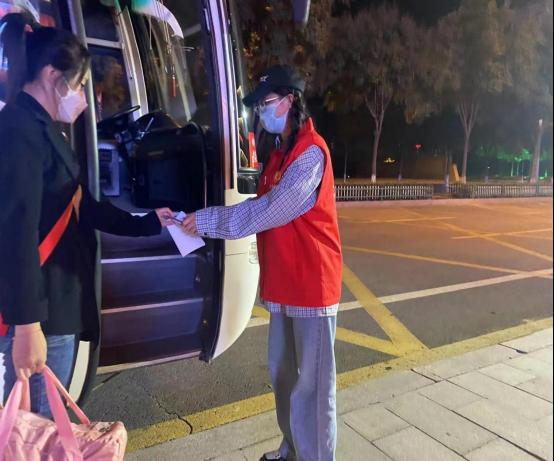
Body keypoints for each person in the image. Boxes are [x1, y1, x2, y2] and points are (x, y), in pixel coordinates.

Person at [0, 13, 175, 416]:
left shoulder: (42, 129)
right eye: (79, 84)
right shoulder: (19, 132)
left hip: (55, 307)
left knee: (40, 428)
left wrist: (149, 222)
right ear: (52, 76)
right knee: (37, 429)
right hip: (42, 314)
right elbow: (16, 234)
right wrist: (27, 325)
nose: (82, 96)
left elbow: (84, 207)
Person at [181, 65, 343, 461]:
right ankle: (292, 449)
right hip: (285, 286)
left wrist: (206, 222)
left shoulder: (310, 153)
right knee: (283, 376)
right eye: (258, 107)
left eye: (266, 103)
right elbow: (260, 206)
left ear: (290, 100)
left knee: (314, 388)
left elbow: (268, 211)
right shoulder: (280, 153)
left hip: (312, 287)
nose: (262, 112)